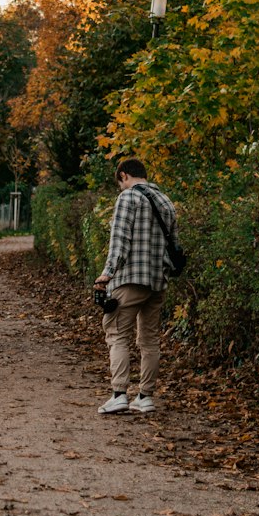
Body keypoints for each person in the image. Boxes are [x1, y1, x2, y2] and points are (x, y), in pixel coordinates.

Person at [94, 157, 180, 416]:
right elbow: (174, 244)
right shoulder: (165, 201)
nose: (120, 187)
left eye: (119, 182)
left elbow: (120, 242)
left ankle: (119, 394)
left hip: (130, 279)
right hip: (157, 282)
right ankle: (145, 397)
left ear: (123, 175)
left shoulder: (128, 198)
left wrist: (106, 274)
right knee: (150, 339)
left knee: (117, 333)